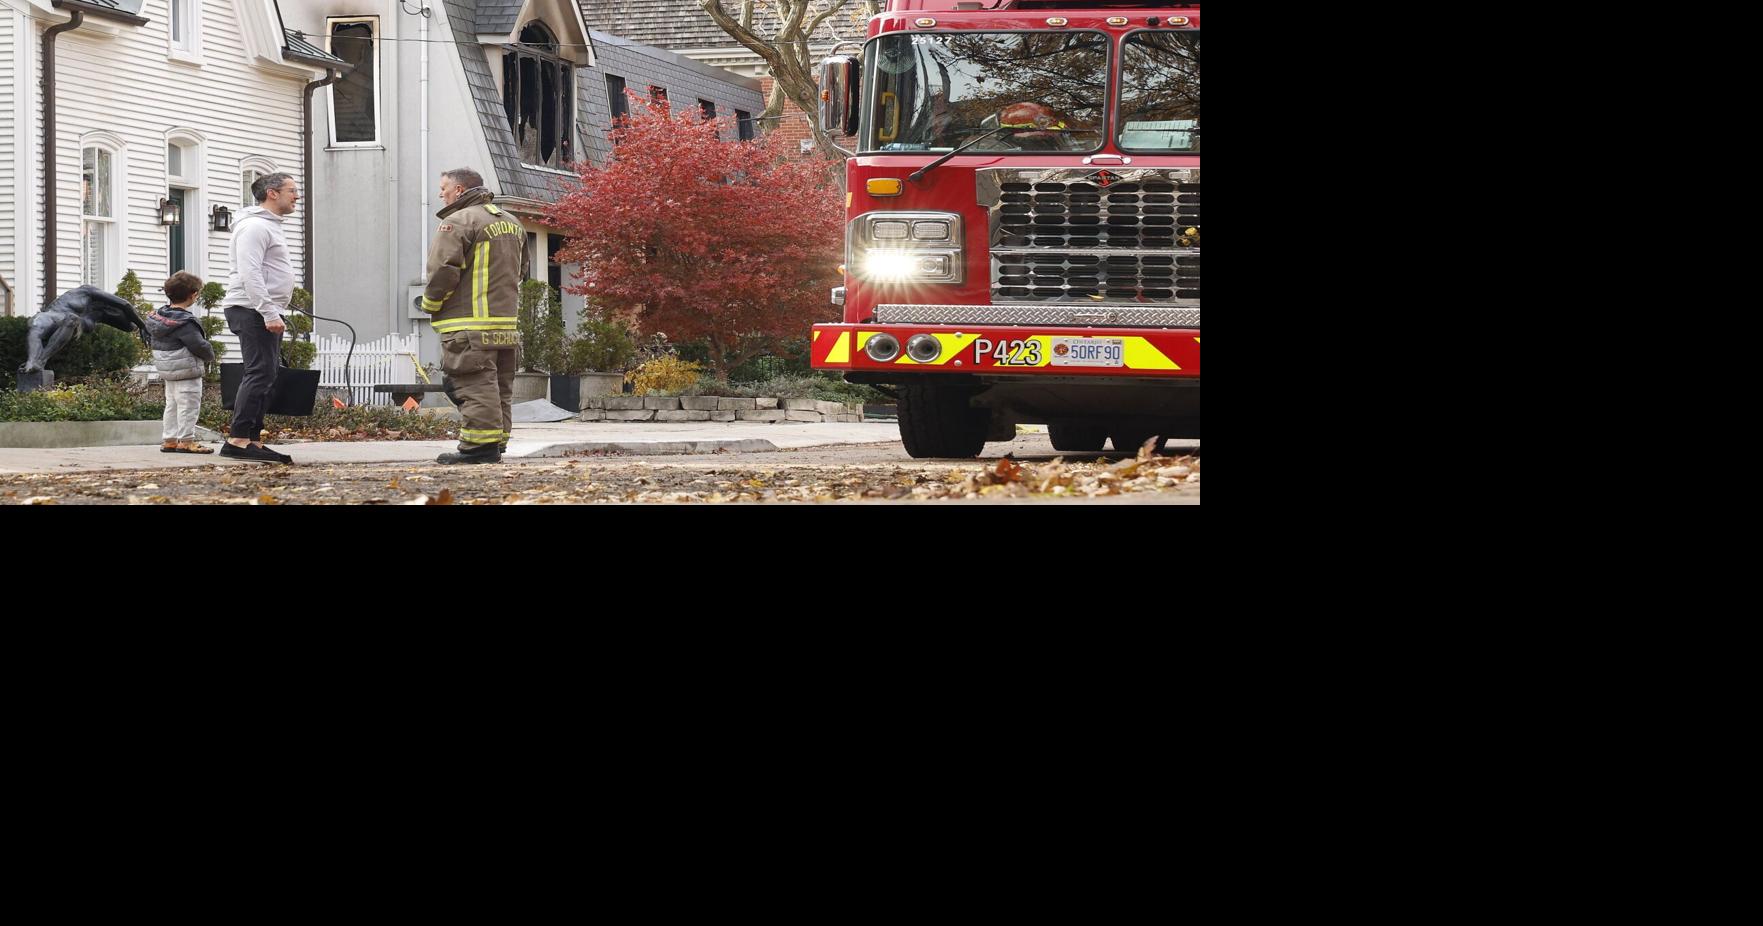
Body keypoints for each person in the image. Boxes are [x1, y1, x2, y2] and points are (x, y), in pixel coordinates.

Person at [420, 167, 526, 465]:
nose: (441, 194)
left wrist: (430, 303)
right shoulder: (512, 222)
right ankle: (496, 443)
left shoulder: (457, 222)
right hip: (506, 325)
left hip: (468, 325)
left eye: (444, 188)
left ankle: (478, 448)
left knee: (474, 384)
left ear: (460, 191)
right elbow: (523, 271)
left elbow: (443, 271)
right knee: (498, 388)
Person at [218, 171, 299, 464]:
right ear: (272, 193)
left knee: (267, 373)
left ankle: (251, 438)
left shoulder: (269, 226)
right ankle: (238, 439)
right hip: (251, 309)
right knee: (259, 372)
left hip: (263, 310)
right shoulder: (254, 227)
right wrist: (267, 311)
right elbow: (249, 272)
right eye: (292, 190)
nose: (297, 196)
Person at [145, 270, 216, 454]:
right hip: (187, 371)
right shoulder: (185, 322)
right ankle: (186, 441)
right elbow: (199, 346)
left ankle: (169, 439)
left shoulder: (159, 318)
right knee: (189, 406)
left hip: (168, 371)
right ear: (193, 295)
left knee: (172, 405)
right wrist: (210, 354)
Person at [20, 286, 149, 374]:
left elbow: (129, 323)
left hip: (71, 321)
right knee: (36, 322)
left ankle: (40, 361)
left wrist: (140, 324)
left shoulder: (99, 313)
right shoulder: (85, 291)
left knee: (71, 319)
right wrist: (142, 325)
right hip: (52, 314)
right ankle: (31, 361)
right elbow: (125, 304)